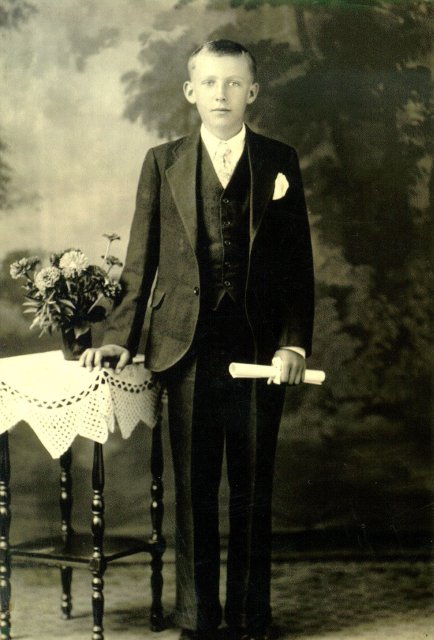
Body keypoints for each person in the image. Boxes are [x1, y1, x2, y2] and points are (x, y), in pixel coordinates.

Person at [80, 39, 314, 640]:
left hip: (259, 347)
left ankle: (251, 618)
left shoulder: (279, 160)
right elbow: (141, 261)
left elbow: (297, 265)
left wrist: (293, 344)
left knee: (253, 489)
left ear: (252, 92)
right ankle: (198, 619)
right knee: (195, 491)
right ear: (191, 91)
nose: (221, 94)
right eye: (209, 82)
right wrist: (120, 336)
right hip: (187, 349)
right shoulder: (163, 161)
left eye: (234, 83)